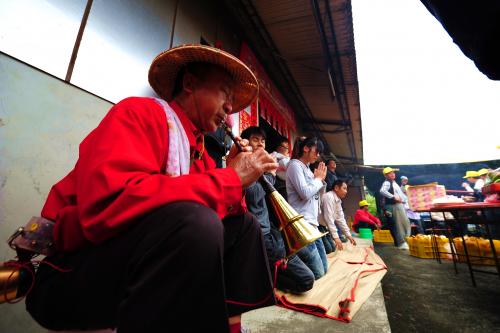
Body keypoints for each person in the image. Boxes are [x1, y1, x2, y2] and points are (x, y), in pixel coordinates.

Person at [25, 45, 278, 333]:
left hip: (132, 270)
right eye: (224, 93)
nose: (230, 109)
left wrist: (233, 174)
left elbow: (224, 217)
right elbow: (107, 207)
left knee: (246, 227)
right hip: (70, 276)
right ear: (189, 84)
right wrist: (228, 179)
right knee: (197, 223)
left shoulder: (200, 153)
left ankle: (239, 327)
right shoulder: (139, 113)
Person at [241, 126, 314, 293]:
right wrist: (271, 175)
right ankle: (264, 275)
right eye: (255, 139)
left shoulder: (264, 164)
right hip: (260, 236)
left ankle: (266, 268)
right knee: (307, 280)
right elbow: (253, 194)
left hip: (274, 233)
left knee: (312, 269)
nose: (260, 144)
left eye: (263, 140)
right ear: (246, 142)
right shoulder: (246, 163)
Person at [286, 136, 328, 279]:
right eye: (317, 151)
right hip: (301, 225)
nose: (318, 155)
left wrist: (320, 181)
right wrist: (317, 180)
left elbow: (318, 199)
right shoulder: (294, 165)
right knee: (319, 273)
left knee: (325, 269)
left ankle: (296, 256)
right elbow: (305, 193)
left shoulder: (309, 171)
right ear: (306, 148)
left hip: (313, 225)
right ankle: (287, 260)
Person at [320, 180, 357, 251]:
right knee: (329, 249)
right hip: (319, 226)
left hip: (324, 227)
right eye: (344, 188)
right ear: (336, 188)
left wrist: (348, 235)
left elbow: (341, 219)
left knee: (332, 248)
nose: (346, 191)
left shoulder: (338, 200)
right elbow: (329, 218)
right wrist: (336, 237)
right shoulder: (329, 197)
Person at [380, 167, 411, 249]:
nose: (393, 174)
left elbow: (400, 194)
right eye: (390, 173)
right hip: (393, 206)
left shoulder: (393, 182)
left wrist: (404, 199)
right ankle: (401, 243)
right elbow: (382, 191)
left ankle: (403, 241)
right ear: (386, 175)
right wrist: (393, 197)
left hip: (398, 205)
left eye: (393, 172)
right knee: (398, 225)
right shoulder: (387, 182)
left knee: (402, 223)